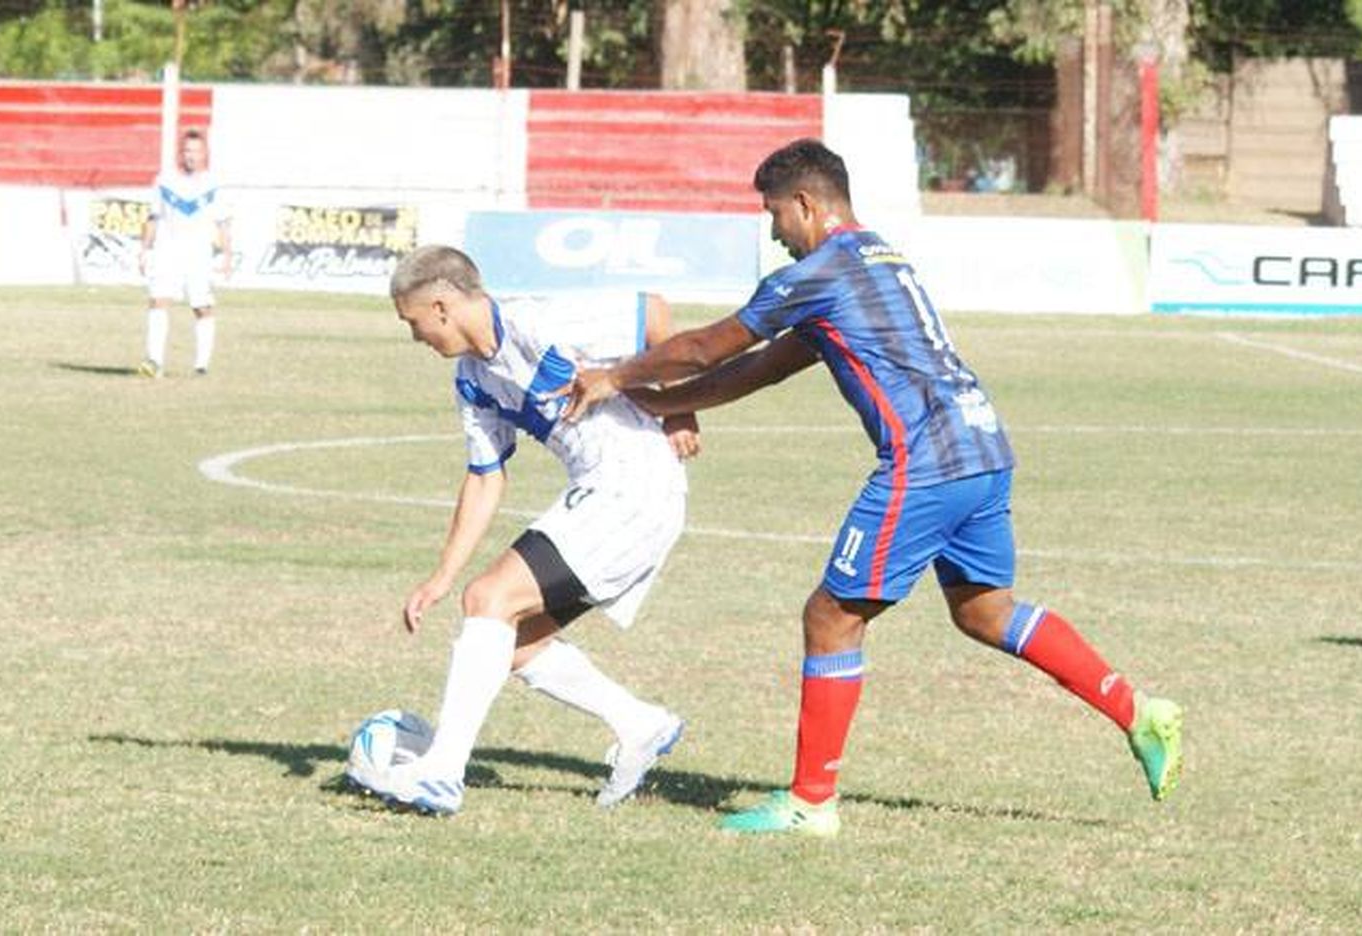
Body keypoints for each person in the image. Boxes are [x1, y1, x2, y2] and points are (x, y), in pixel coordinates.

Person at [561, 139, 1183, 837]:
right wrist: (661, 403)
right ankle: (1137, 709)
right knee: (985, 612)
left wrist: (616, 376)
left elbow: (715, 344)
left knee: (831, 617)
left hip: (927, 461)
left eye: (774, 215)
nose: (773, 233)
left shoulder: (821, 269)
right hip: (982, 447)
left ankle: (811, 803)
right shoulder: (876, 257)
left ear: (805, 204)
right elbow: (766, 367)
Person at [349, 244, 698, 816]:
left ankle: (440, 772)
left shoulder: (537, 322)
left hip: (635, 487)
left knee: (489, 600)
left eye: (413, 324)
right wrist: (440, 577)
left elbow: (654, 314)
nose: (416, 339)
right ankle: (642, 726)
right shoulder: (473, 380)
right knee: (515, 641)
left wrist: (682, 407)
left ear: (440, 306)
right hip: (605, 494)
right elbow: (485, 478)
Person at [137, 128, 231, 378]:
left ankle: (201, 365)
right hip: (168, 251)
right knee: (158, 301)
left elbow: (222, 223)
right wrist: (144, 250)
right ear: (181, 153)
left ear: (205, 154)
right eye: (187, 150)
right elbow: (153, 217)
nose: (191, 156)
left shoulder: (213, 184)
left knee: (202, 307)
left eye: (196, 151)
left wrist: (225, 255)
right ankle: (154, 361)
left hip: (199, 254)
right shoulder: (165, 181)